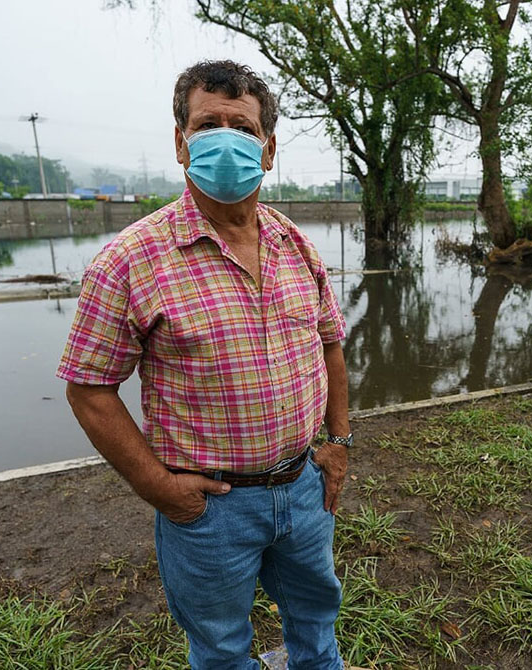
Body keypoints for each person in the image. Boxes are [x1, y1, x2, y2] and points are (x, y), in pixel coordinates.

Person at [57, 60, 351, 670]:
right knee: (219, 646)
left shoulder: (295, 245)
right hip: (210, 507)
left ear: (267, 150)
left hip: (302, 489)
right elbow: (90, 389)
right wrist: (158, 488)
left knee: (317, 624)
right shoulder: (129, 260)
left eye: (240, 127)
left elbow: (330, 344)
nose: (224, 138)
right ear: (180, 142)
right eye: (206, 124)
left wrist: (340, 440)